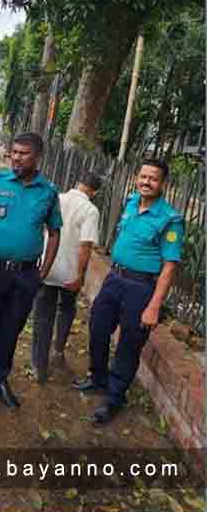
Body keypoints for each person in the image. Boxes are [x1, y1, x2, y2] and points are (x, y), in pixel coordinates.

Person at [72, 159, 184, 425]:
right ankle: (98, 378)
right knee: (98, 327)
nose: (146, 182)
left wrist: (154, 305)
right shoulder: (132, 203)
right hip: (115, 278)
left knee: (128, 345)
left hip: (141, 287)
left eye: (153, 178)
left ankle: (114, 398)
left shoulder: (170, 220)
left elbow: (169, 267)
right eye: (143, 176)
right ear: (137, 177)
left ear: (163, 184)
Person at [0, 132, 62, 421]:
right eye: (14, 152)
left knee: (10, 331)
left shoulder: (48, 192)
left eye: (24, 153)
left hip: (25, 276)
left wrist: (43, 270)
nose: (16, 157)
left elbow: (55, 232)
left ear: (37, 157)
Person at [31, 172, 102, 384]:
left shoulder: (57, 198)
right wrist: (80, 276)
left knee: (42, 315)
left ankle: (39, 366)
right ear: (94, 192)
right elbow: (85, 245)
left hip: (48, 266)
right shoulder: (90, 210)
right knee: (67, 308)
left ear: (77, 184)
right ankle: (58, 351)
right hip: (70, 272)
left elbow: (41, 228)